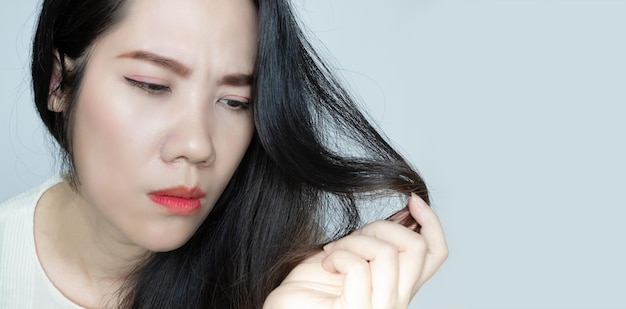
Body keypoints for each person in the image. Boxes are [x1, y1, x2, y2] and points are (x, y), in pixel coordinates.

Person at [0, 0, 447, 308]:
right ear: (58, 81)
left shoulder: (299, 280)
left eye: (235, 102)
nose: (197, 145)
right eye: (152, 85)